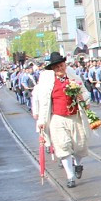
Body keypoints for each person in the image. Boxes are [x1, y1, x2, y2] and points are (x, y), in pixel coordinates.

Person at [32, 53, 90, 188]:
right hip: (57, 118)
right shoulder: (47, 83)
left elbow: (85, 92)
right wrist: (40, 119)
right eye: (56, 66)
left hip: (75, 116)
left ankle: (78, 164)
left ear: (65, 65)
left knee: (80, 145)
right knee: (63, 146)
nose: (60, 68)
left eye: (61, 65)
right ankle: (70, 176)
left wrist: (83, 98)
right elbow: (42, 101)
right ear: (52, 68)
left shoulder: (73, 77)